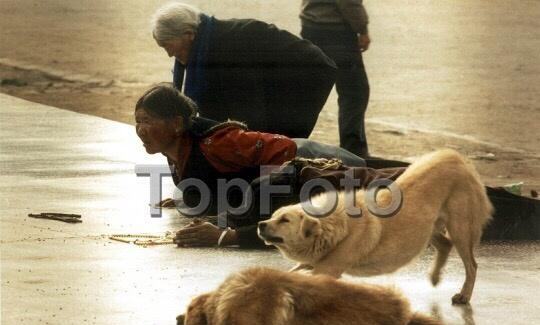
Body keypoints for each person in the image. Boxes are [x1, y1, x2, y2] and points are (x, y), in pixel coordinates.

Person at [136, 84, 540, 249]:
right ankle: (515, 193)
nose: (140, 130)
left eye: (147, 121)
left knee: (426, 192)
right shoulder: (181, 154)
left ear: (176, 124)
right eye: (136, 120)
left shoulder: (220, 142)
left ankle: (520, 204)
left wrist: (225, 230)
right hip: (320, 182)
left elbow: (281, 165)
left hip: (318, 172)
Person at [151, 2, 337, 138]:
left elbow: (250, 108)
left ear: (189, 34)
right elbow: (212, 103)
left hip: (308, 74)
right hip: (272, 76)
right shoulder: (206, 43)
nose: (169, 54)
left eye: (167, 46)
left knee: (277, 138)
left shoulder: (227, 47)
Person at [300, 0, 371, 157]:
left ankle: (289, 142)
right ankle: (353, 150)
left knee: (309, 90)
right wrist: (362, 29)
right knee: (355, 92)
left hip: (310, 25)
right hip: (336, 31)